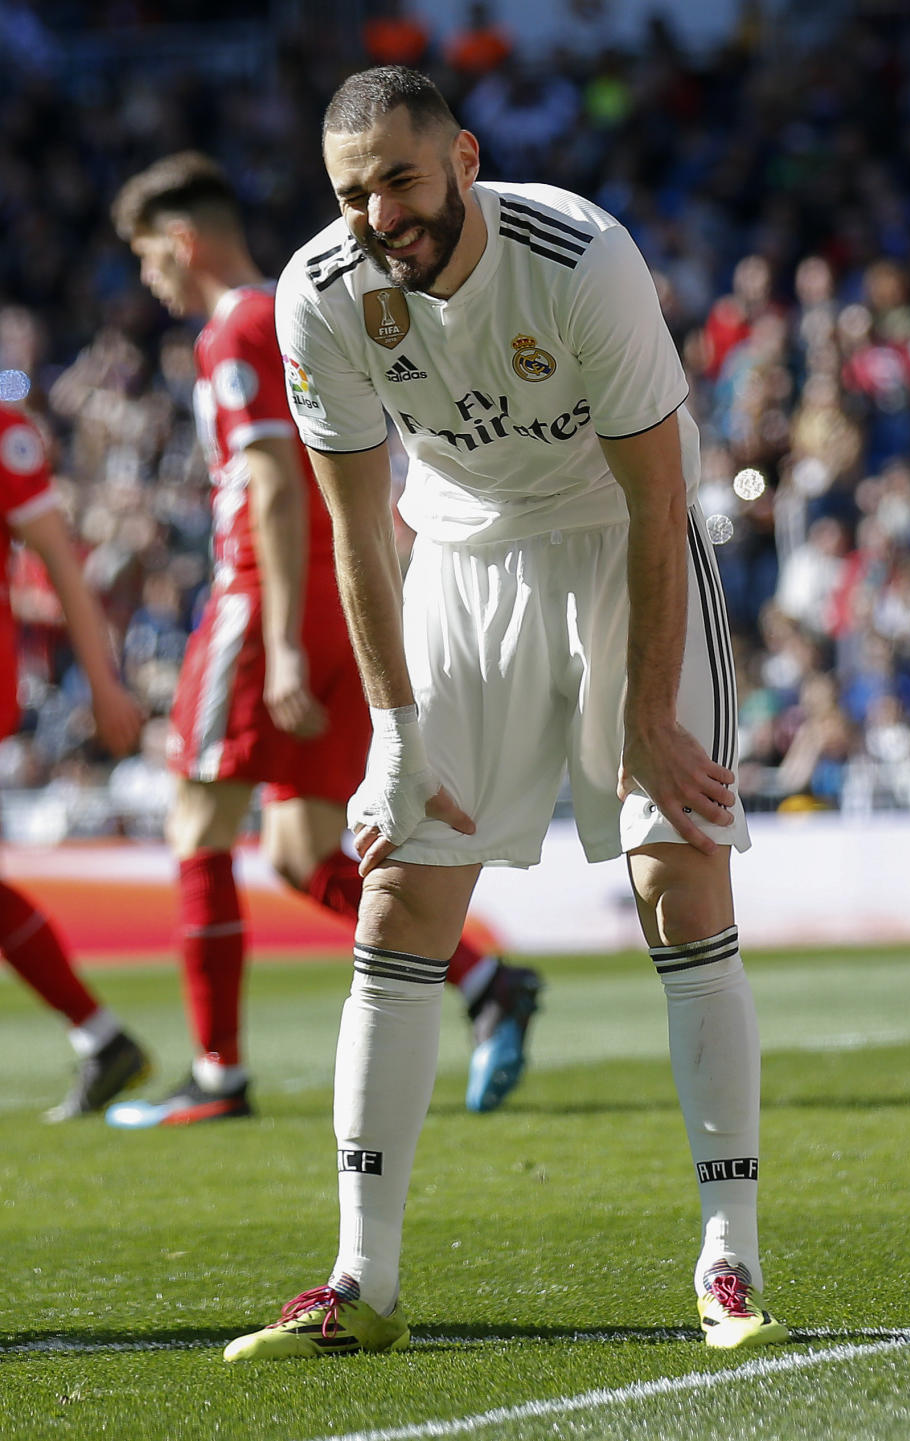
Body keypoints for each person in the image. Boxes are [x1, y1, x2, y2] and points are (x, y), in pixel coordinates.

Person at [222, 64, 791, 1363]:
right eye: (352, 192)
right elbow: (360, 529)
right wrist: (398, 740)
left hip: (614, 540)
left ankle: (730, 1262)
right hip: (461, 561)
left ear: (464, 158)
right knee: (400, 893)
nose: (379, 212)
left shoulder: (582, 256)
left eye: (400, 180)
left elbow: (659, 499)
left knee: (677, 874)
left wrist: (648, 712)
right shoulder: (317, 295)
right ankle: (361, 1279)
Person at [106, 151, 540, 1127]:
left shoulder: (238, 329)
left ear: (183, 241)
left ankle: (218, 1073)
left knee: (196, 824)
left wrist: (285, 645)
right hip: (342, 604)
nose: (148, 280)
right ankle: (484, 981)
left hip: (268, 605)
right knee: (307, 850)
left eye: (147, 257)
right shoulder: (291, 313)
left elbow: (268, 485)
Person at [0, 398, 148, 1120]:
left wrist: (103, 681)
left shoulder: (5, 431)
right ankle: (103, 1036)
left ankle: (103, 1036)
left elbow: (60, 561)